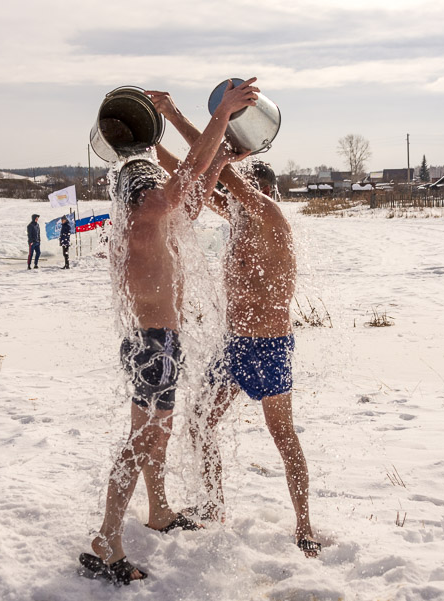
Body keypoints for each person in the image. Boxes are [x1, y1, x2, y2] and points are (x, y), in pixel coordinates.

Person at [79, 78, 261, 585]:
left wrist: (219, 159)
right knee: (142, 440)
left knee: (156, 434)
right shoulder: (139, 180)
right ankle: (106, 540)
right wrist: (220, 115)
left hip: (159, 338)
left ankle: (158, 510)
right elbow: (174, 194)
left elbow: (184, 203)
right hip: (152, 340)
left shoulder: (139, 188)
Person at [147, 89, 319, 556]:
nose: (226, 193)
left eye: (237, 185)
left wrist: (181, 116)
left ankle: (304, 525)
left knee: (283, 437)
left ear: (256, 187)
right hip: (235, 346)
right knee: (201, 425)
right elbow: (191, 175)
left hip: (268, 347)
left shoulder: (267, 213)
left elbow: (217, 163)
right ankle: (214, 506)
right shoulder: (239, 215)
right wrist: (149, 144)